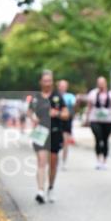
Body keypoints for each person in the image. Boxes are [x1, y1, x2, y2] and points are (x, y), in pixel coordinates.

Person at [27, 70, 68, 204]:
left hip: (55, 132)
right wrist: (33, 118)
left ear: (52, 82)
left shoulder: (57, 97)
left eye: (49, 81)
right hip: (40, 132)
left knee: (53, 163)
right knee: (41, 161)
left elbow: (66, 114)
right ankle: (40, 191)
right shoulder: (36, 98)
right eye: (45, 81)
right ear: (41, 82)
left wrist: (57, 113)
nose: (47, 83)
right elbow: (29, 112)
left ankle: (50, 188)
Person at [86, 76, 111, 169]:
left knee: (105, 140)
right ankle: (98, 160)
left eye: (102, 82)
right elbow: (89, 107)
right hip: (95, 120)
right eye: (99, 82)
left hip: (108, 120)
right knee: (98, 138)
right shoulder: (93, 93)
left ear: (105, 83)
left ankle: (104, 161)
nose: (101, 84)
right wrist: (87, 118)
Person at [57, 79, 76, 169]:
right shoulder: (54, 96)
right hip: (56, 121)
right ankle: (55, 159)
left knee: (65, 142)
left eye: (64, 86)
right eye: (61, 86)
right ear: (58, 86)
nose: (62, 87)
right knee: (56, 142)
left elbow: (74, 106)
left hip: (66, 121)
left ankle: (63, 162)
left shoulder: (70, 96)